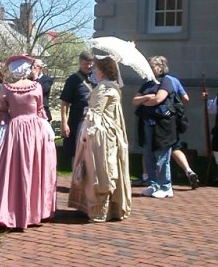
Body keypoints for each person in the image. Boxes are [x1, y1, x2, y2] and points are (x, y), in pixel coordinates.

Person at [0, 54, 57, 230]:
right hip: (34, 131)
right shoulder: (36, 87)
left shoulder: (6, 88)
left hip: (14, 130)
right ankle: (32, 210)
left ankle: (12, 208)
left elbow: (2, 111)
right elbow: (40, 110)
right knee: (33, 167)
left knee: (12, 169)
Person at [68, 56, 132, 222]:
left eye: (97, 68)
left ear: (102, 71)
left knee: (100, 170)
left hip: (100, 133)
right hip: (110, 131)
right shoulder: (113, 86)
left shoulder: (104, 88)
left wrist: (85, 133)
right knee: (108, 168)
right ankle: (111, 209)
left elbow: (97, 113)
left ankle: (99, 210)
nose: (94, 71)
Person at [132, 55, 177, 198]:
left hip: (162, 126)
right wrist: (147, 98)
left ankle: (166, 186)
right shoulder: (147, 83)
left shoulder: (167, 81)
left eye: (152, 66)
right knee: (148, 155)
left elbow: (158, 99)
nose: (150, 69)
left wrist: (146, 99)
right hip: (146, 124)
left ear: (161, 67)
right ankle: (154, 184)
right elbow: (135, 100)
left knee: (162, 157)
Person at [60, 51, 94, 165]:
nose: (89, 66)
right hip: (77, 121)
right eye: (86, 63)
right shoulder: (72, 80)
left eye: (91, 63)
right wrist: (64, 123)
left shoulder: (97, 79)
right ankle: (76, 179)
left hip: (93, 122)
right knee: (76, 152)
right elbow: (65, 103)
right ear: (80, 62)